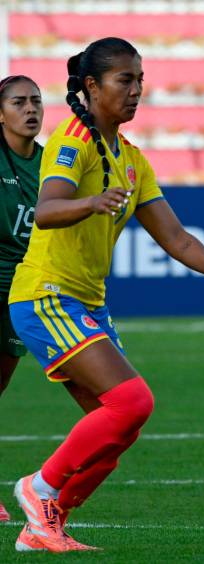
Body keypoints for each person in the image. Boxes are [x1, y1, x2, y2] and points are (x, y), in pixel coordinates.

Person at [7, 37, 204, 553]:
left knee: (116, 429)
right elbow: (46, 210)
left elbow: (175, 239)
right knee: (132, 401)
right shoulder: (72, 141)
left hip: (85, 302)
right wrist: (91, 202)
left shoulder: (130, 158)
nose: (135, 91)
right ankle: (36, 490)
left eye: (140, 80)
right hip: (46, 294)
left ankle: (45, 525)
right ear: (91, 87)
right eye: (124, 80)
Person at [0, 74, 45, 523]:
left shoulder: (50, 166)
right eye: (18, 102)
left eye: (35, 101)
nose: (30, 109)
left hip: (21, 291)